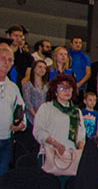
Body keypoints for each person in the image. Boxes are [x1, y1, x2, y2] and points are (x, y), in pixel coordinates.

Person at [32, 73, 86, 173]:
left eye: (69, 87)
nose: (67, 90)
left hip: (70, 158)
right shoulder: (46, 108)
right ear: (55, 91)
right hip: (50, 155)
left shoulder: (76, 111)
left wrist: (81, 145)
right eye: (62, 88)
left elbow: (81, 134)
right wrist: (55, 143)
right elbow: (38, 131)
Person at [0, 44, 26, 173]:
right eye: (3, 58)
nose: (6, 62)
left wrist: (21, 125)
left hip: (6, 140)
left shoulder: (13, 87)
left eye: (10, 60)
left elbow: (21, 109)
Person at [21, 59, 48, 126]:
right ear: (34, 69)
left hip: (44, 117)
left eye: (44, 68)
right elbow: (27, 102)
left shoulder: (46, 86)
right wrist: (35, 116)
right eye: (40, 67)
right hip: (31, 117)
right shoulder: (28, 85)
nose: (42, 69)